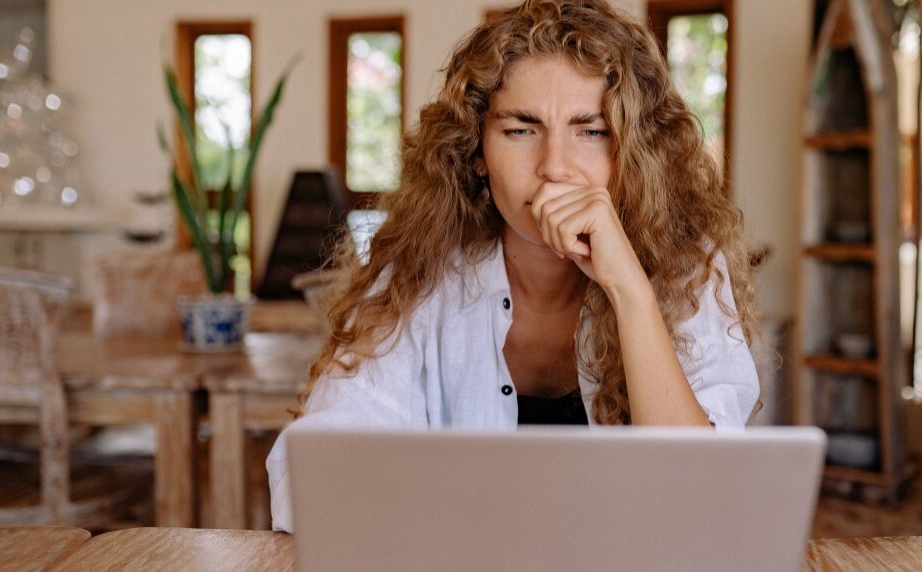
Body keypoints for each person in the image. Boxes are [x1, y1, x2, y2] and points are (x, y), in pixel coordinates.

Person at [267, 0, 760, 532]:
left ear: (633, 152)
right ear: (477, 149)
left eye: (591, 131)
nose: (554, 167)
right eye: (521, 130)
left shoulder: (687, 266)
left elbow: (703, 503)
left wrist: (629, 291)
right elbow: (308, 480)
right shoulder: (420, 272)